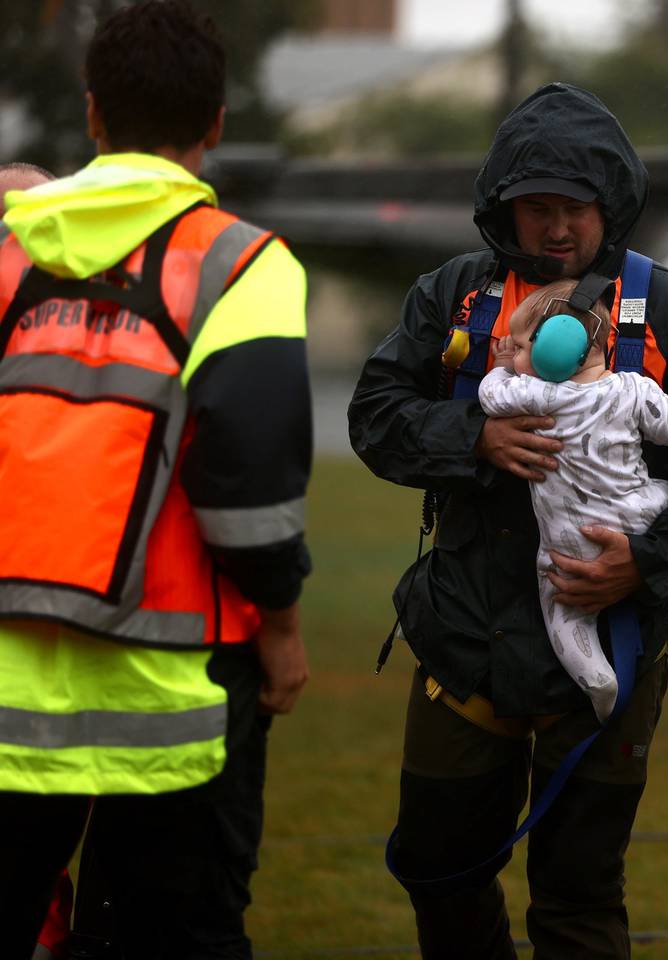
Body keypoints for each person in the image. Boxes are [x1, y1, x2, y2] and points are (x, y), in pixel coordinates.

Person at [348, 82, 668, 958]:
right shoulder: (453, 298)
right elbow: (375, 415)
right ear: (501, 210)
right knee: (439, 869)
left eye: (573, 210)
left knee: (579, 897)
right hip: (463, 636)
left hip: (613, 640)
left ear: (609, 206)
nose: (554, 229)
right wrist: (475, 435)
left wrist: (651, 560)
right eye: (535, 209)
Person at [0, 3, 313, 958]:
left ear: (92, 114)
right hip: (173, 701)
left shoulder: (10, 244)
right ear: (215, 125)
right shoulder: (241, 264)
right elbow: (250, 495)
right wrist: (285, 630)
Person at [478, 279, 668, 721]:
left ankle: (596, 678)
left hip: (567, 542)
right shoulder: (632, 389)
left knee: (562, 612)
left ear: (554, 346)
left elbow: (489, 394)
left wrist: (499, 366)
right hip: (638, 517)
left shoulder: (532, 395)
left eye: (521, 346)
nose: (514, 356)